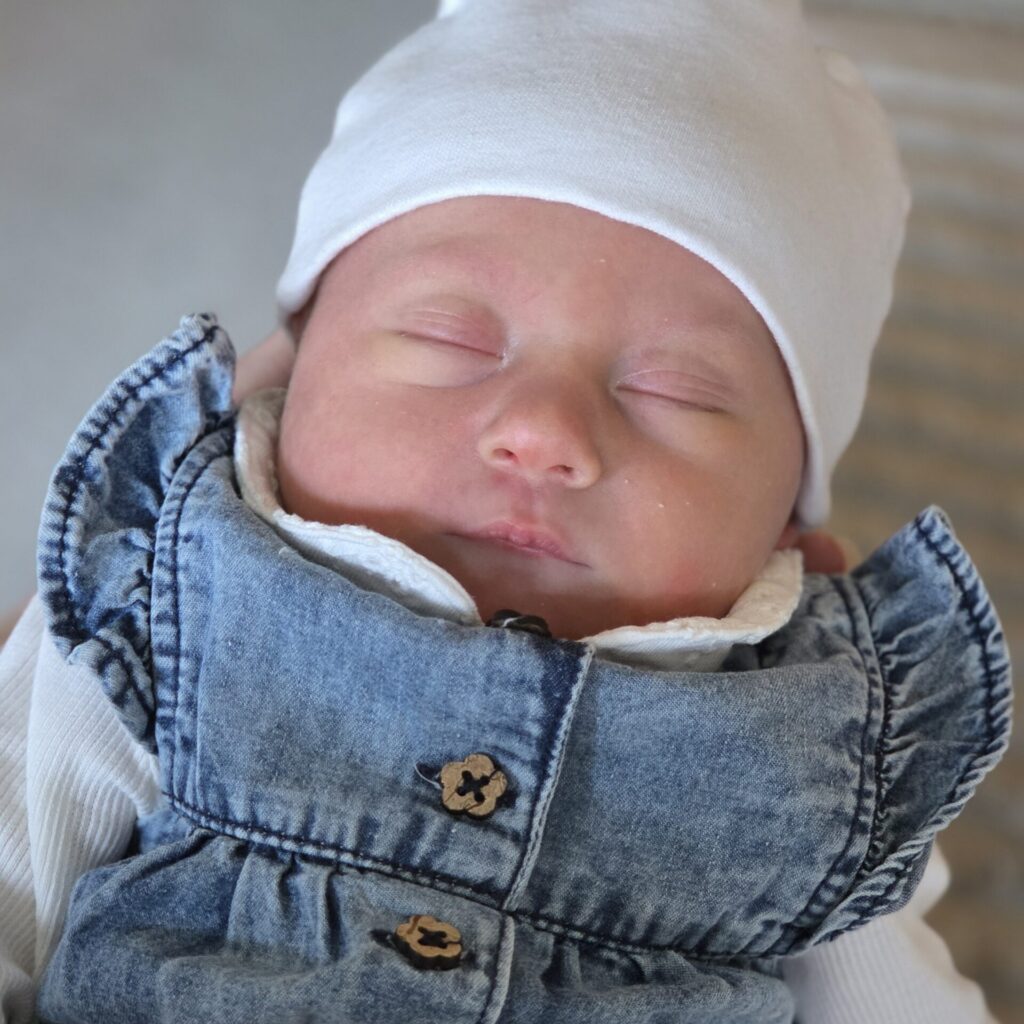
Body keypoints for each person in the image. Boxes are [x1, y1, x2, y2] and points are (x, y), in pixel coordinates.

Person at [0, 1, 1012, 1021]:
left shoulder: (818, 747)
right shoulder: (163, 600)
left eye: (676, 389)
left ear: (785, 529)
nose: (542, 430)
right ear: (293, 376)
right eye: (451, 335)